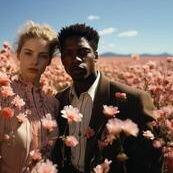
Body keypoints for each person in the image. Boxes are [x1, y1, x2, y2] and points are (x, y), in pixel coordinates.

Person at [51, 23, 163, 173]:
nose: (76, 59)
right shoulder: (59, 100)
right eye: (68, 53)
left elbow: (152, 161)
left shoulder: (133, 100)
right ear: (62, 59)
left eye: (83, 52)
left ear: (95, 56)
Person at [0, 21, 60, 173]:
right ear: (18, 55)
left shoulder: (52, 103)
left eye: (42, 56)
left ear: (48, 61)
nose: (34, 62)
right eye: (28, 53)